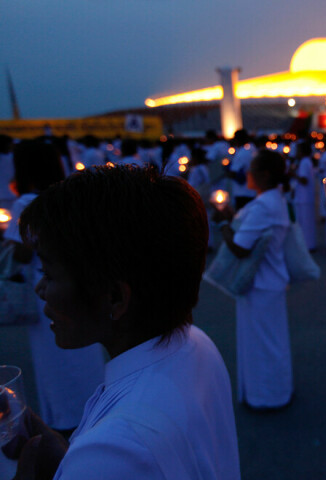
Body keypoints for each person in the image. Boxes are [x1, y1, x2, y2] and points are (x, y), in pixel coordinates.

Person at [11, 165, 241, 479]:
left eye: (49, 274)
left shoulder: (115, 450)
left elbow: (122, 453)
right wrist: (68, 459)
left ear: (115, 298)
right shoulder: (195, 343)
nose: (40, 290)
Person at [3, 140, 105, 437]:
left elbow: (20, 254)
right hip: (79, 287)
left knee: (56, 363)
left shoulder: (26, 204)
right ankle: (94, 416)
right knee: (84, 356)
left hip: (47, 291)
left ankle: (65, 427)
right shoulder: (73, 198)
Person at [214, 150, 293, 410]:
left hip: (260, 286)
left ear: (265, 174)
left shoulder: (263, 205)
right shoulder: (272, 200)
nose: (247, 174)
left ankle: (266, 396)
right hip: (269, 284)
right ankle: (273, 391)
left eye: (252, 169)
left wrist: (223, 225)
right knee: (270, 343)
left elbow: (240, 248)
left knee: (262, 346)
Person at [290, 141, 317, 251]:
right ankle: (307, 245)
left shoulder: (305, 162)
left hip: (304, 198)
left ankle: (308, 245)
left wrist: (293, 174)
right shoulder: (304, 162)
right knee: (304, 223)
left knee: (306, 224)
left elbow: (304, 180)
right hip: (303, 197)